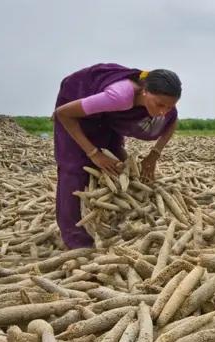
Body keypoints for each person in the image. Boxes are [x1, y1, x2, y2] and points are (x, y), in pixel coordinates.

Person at [52, 63, 182, 249]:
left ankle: (109, 228)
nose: (163, 111)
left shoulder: (165, 107)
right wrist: (93, 153)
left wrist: (154, 154)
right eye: (159, 105)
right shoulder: (120, 97)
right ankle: (77, 239)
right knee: (75, 168)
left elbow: (171, 122)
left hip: (105, 113)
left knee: (115, 164)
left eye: (169, 106)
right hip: (75, 103)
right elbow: (63, 113)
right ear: (145, 91)